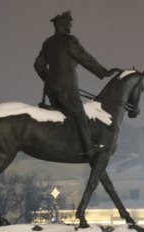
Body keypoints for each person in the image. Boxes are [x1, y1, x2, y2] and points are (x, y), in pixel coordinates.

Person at [33, 11, 119, 158]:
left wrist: (49, 81)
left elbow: (38, 65)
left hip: (52, 92)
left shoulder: (48, 43)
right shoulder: (69, 40)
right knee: (80, 116)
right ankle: (90, 149)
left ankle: (68, 145)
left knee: (65, 118)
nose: (71, 24)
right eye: (68, 22)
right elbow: (85, 58)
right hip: (67, 89)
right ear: (61, 23)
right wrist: (104, 72)